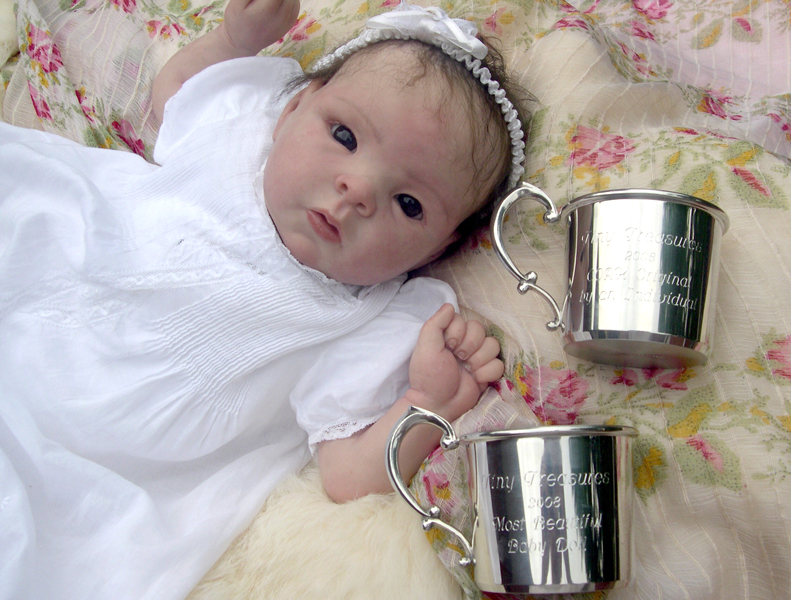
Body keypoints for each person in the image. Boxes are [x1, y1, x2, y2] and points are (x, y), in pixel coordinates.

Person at [0, 0, 529, 598]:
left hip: (103, 431)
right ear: (294, 109)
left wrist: (425, 401)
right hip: (63, 251)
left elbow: (347, 475)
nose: (356, 189)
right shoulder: (244, 128)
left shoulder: (372, 316)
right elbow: (176, 94)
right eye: (345, 136)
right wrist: (231, 39)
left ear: (443, 245)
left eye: (409, 204)